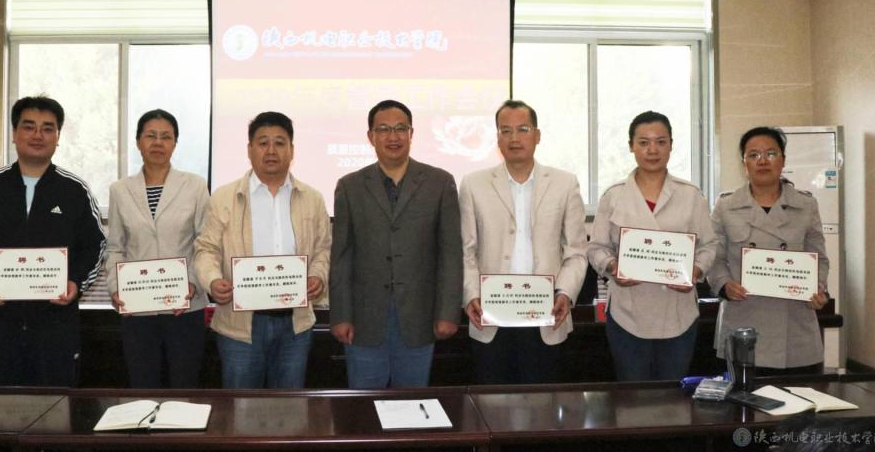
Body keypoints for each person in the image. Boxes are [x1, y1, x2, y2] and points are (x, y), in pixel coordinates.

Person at [0, 96, 105, 387]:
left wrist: (75, 283)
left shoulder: (74, 190)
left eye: (47, 128)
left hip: (56, 326)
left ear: (58, 137)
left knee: (56, 405)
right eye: (29, 126)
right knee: (5, 405)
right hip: (1, 325)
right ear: (14, 133)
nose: (38, 135)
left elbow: (94, 247)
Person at [329, 99, 463, 388]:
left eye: (401, 128)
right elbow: (341, 257)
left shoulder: (440, 183)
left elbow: (451, 254)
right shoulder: (350, 186)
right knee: (364, 406)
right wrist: (340, 315)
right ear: (370, 136)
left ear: (412, 134)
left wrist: (448, 312)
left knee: (412, 404)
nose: (393, 136)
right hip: (364, 322)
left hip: (420, 318)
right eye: (384, 129)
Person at [194, 112, 331, 388]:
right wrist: (212, 281)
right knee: (241, 407)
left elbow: (323, 249)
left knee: (289, 407)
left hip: (295, 324)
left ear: (292, 150)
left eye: (280, 143)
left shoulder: (313, 198)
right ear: (249, 149)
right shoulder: (223, 197)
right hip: (240, 326)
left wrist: (318, 275)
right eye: (263, 142)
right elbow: (206, 249)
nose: (271, 150)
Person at [460, 100, 589, 384]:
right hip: (491, 317)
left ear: (537, 135)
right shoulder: (473, 184)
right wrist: (471, 294)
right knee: (492, 404)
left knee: (543, 403)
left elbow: (577, 252)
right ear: (497, 138)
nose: (514, 138)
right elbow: (465, 251)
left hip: (546, 315)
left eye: (522, 129)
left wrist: (565, 293)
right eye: (505, 131)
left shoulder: (564, 184)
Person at [589, 110, 716, 381]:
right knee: (633, 395)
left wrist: (695, 272)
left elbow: (709, 246)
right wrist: (612, 267)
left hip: (678, 311)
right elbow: (596, 248)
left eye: (660, 141)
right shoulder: (613, 196)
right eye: (643, 142)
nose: (652, 150)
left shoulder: (690, 195)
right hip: (627, 313)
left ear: (671, 145)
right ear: (631, 146)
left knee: (672, 395)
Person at [707, 126, 829, 375]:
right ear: (744, 164)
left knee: (799, 397)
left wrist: (818, 287)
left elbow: (819, 257)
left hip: (794, 323)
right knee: (744, 398)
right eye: (753, 155)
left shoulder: (806, 205)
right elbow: (714, 257)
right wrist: (724, 284)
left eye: (771, 154)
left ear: (783, 160)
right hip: (743, 318)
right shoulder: (726, 205)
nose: (762, 161)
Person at [105, 109, 210, 388]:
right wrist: (116, 287)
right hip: (137, 310)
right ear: (138, 142)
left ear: (175, 143)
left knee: (184, 387)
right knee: (142, 386)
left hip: (185, 308)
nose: (158, 143)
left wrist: (193, 282)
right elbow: (115, 247)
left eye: (166, 136)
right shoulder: (120, 190)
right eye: (150, 135)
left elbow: (206, 243)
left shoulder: (195, 186)